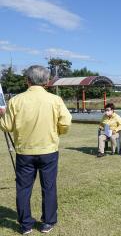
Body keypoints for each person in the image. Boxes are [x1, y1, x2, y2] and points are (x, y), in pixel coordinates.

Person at [0, 65, 72, 234]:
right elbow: (66, 122)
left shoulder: (16, 101)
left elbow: (6, 126)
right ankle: (48, 222)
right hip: (49, 150)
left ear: (28, 80)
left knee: (23, 188)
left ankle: (25, 225)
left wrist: (2, 116)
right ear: (46, 81)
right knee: (49, 187)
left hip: (25, 152)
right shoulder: (55, 100)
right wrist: (58, 132)